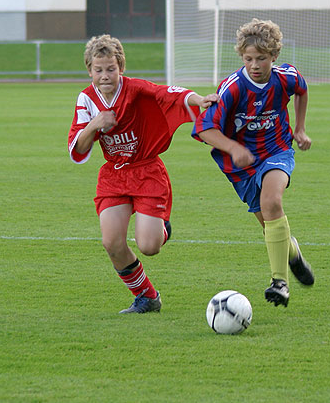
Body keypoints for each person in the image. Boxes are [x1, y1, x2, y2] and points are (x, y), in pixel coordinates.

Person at [68, 34, 218, 314]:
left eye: (110, 69)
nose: (104, 76)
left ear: (121, 66)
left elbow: (169, 93)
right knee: (111, 243)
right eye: (98, 70)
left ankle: (161, 228)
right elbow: (77, 149)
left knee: (149, 246)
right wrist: (95, 125)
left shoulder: (135, 89)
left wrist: (200, 99)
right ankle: (147, 297)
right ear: (89, 70)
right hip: (113, 175)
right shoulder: (86, 99)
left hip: (146, 170)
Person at [192, 18, 315, 307]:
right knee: (269, 225)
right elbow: (204, 129)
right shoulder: (232, 88)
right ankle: (293, 254)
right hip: (241, 165)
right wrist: (233, 147)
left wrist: (300, 129)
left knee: (273, 202)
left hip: (277, 151)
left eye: (261, 59)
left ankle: (279, 282)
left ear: (274, 56)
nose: (255, 65)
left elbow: (302, 89)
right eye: (248, 59)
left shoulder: (285, 77)